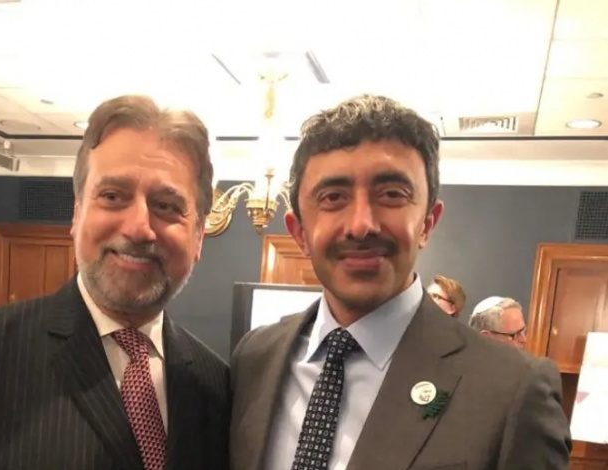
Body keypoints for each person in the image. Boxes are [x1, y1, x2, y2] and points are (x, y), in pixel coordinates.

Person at [230, 95, 570, 470]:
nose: (361, 225)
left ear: (427, 223)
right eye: (333, 197)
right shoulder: (255, 358)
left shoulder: (513, 389)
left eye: (392, 194)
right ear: (300, 233)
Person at [0, 96, 229, 470]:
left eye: (166, 205)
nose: (138, 228)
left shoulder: (217, 382)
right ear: (77, 214)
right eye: (113, 196)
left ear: (198, 235)